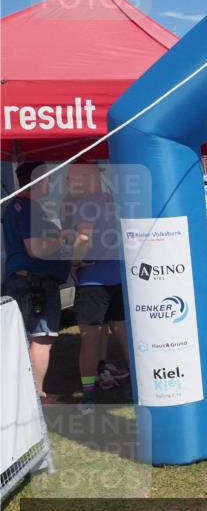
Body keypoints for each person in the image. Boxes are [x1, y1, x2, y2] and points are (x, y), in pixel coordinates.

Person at [1, 163, 84, 400]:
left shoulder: (20, 207)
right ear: (38, 180)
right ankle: (36, 399)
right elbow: (36, 249)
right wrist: (64, 237)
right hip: (35, 284)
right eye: (48, 178)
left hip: (29, 282)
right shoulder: (27, 208)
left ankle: (26, 396)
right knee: (41, 338)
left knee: (30, 337)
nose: (52, 183)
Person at [62, 163, 131, 411]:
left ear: (86, 178)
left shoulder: (85, 204)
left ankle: (89, 397)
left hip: (93, 281)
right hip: (118, 277)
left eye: (71, 178)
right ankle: (139, 386)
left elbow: (83, 236)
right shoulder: (115, 200)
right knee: (124, 334)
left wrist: (74, 262)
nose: (69, 183)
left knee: (90, 340)